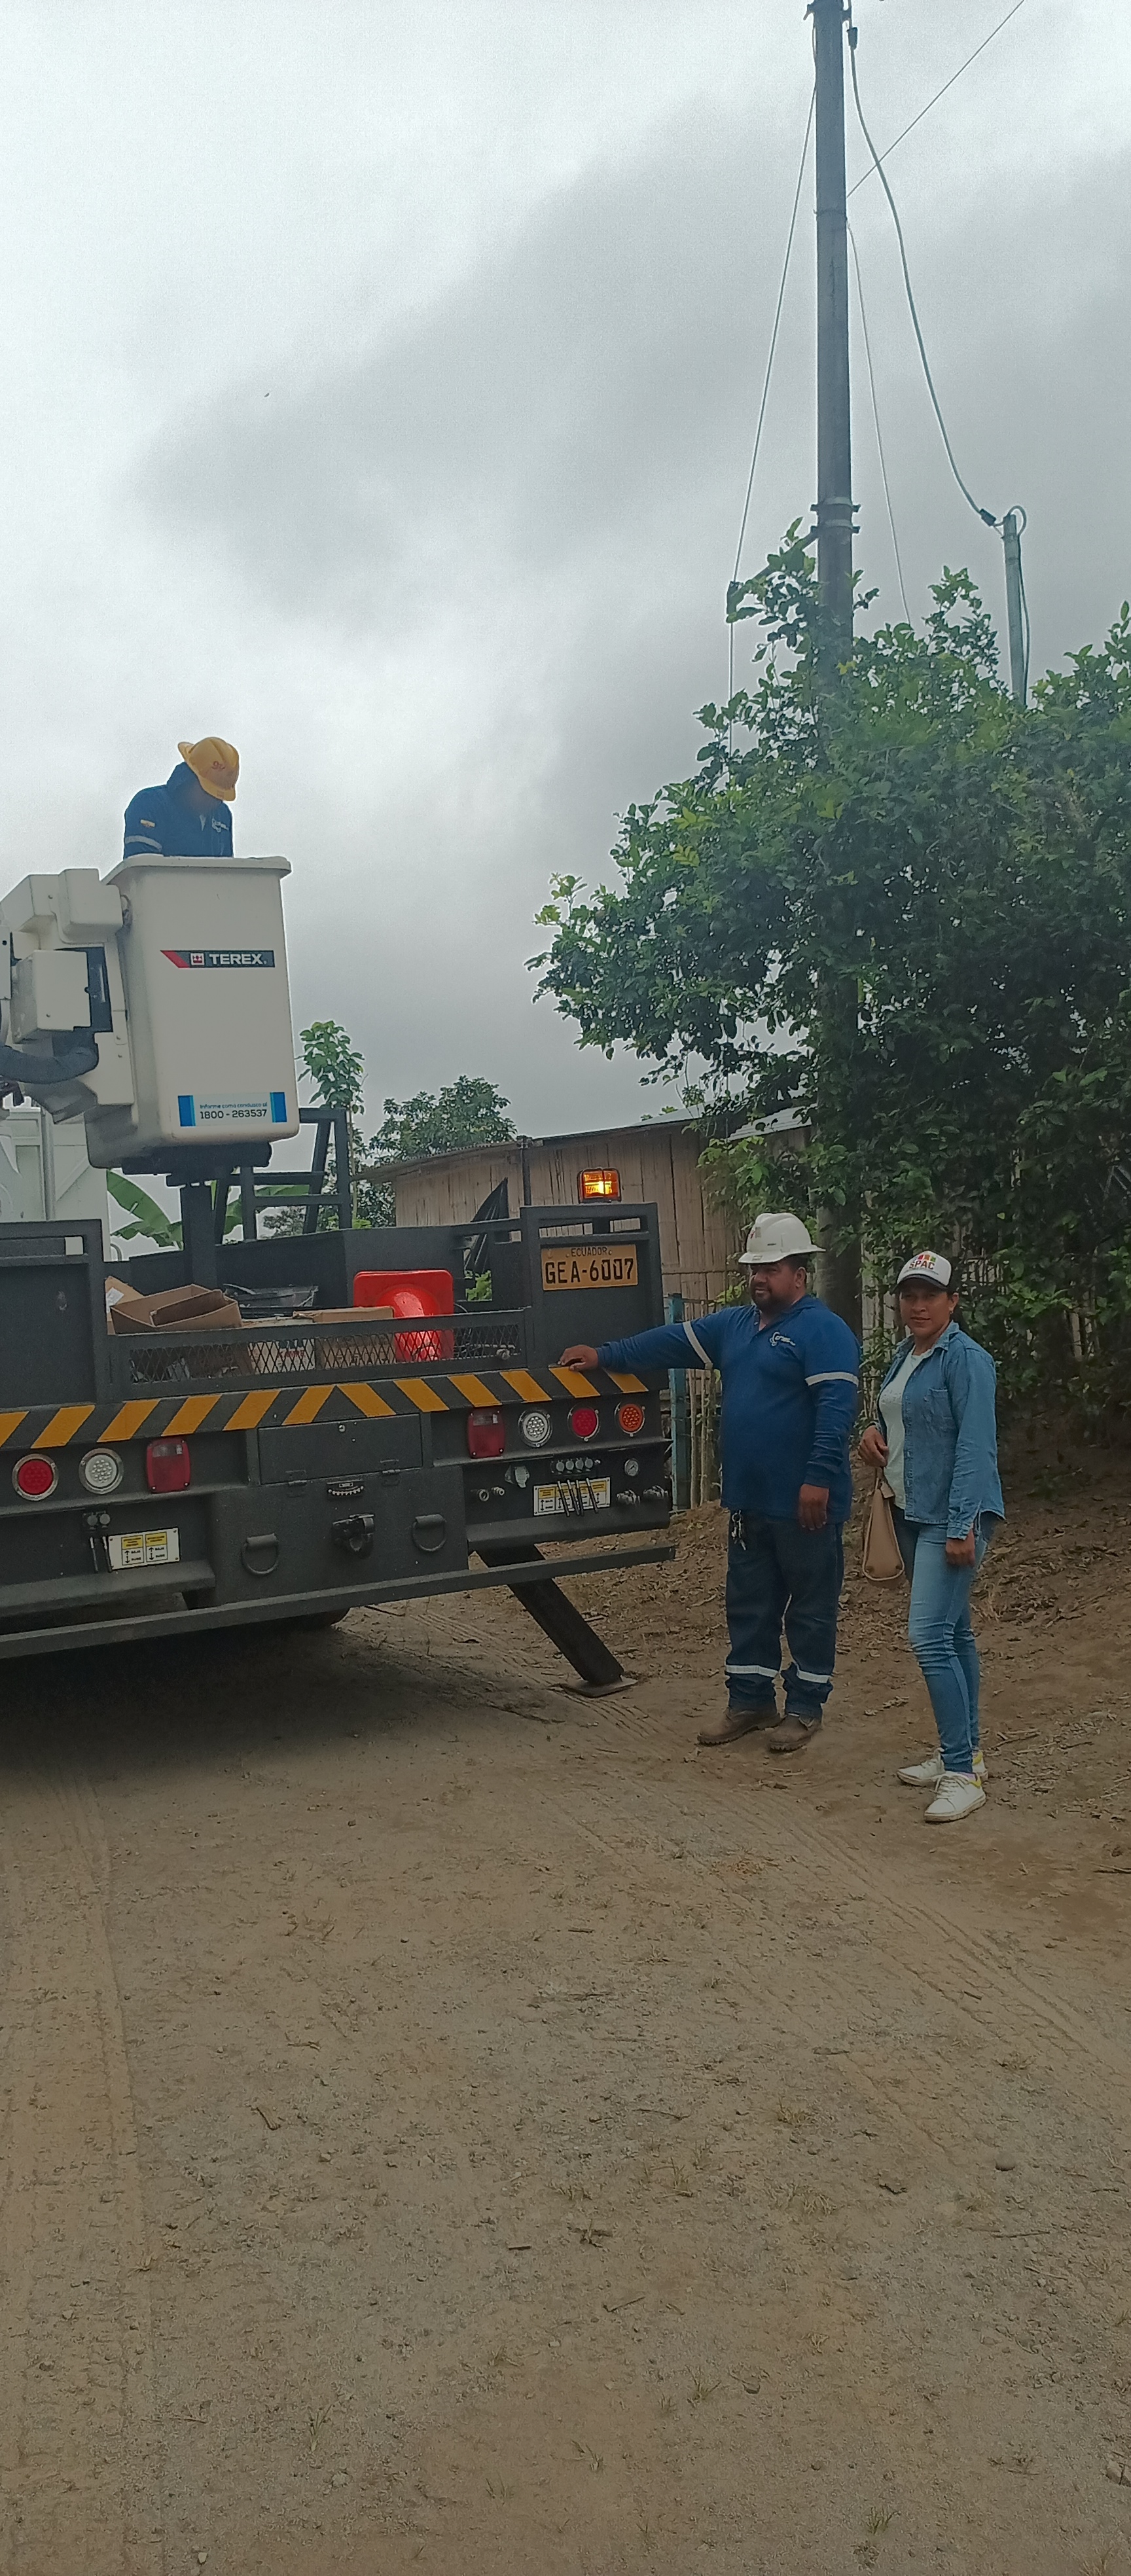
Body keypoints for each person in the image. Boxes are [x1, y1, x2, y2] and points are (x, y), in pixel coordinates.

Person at [561, 1211, 859, 1754]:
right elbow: (669, 1343)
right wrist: (605, 1355)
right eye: (754, 1269)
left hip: (805, 1505)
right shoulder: (736, 1327)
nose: (759, 1278)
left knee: (810, 1610)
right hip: (749, 1501)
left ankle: (804, 1708)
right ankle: (750, 1700)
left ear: (800, 1274)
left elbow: (836, 1411)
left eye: (771, 1268)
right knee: (750, 1604)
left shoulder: (824, 1331)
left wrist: (818, 1479)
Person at [858, 1250, 1004, 1824]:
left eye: (931, 1295)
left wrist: (963, 1525)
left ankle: (962, 1775)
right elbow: (901, 1419)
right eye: (909, 1295)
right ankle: (964, 1754)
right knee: (955, 1633)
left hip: (950, 1517)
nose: (918, 1305)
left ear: (953, 1301)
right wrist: (872, 1433)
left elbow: (976, 1446)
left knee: (928, 1637)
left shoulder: (967, 1360)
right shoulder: (907, 1353)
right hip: (911, 1510)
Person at [122, 737, 240, 859]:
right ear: (190, 778)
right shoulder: (149, 804)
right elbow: (144, 868)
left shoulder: (223, 815)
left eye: (220, 797)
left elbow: (225, 868)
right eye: (209, 792)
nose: (214, 802)